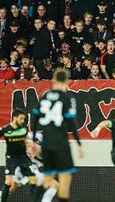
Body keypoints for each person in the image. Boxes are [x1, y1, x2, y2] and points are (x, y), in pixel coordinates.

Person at [30, 68, 84, 202]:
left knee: (48, 178)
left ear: (53, 80)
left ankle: (35, 199)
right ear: (66, 81)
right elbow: (71, 123)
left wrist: (33, 141)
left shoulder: (45, 96)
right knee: (65, 177)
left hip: (46, 143)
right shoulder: (67, 97)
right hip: (60, 142)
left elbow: (35, 117)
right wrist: (79, 143)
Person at [0, 109, 41, 202]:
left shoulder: (24, 129)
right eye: (21, 118)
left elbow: (25, 140)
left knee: (34, 181)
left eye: (23, 119)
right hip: (11, 157)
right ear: (15, 117)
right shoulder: (5, 129)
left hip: (23, 157)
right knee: (9, 182)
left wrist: (31, 147)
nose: (22, 121)